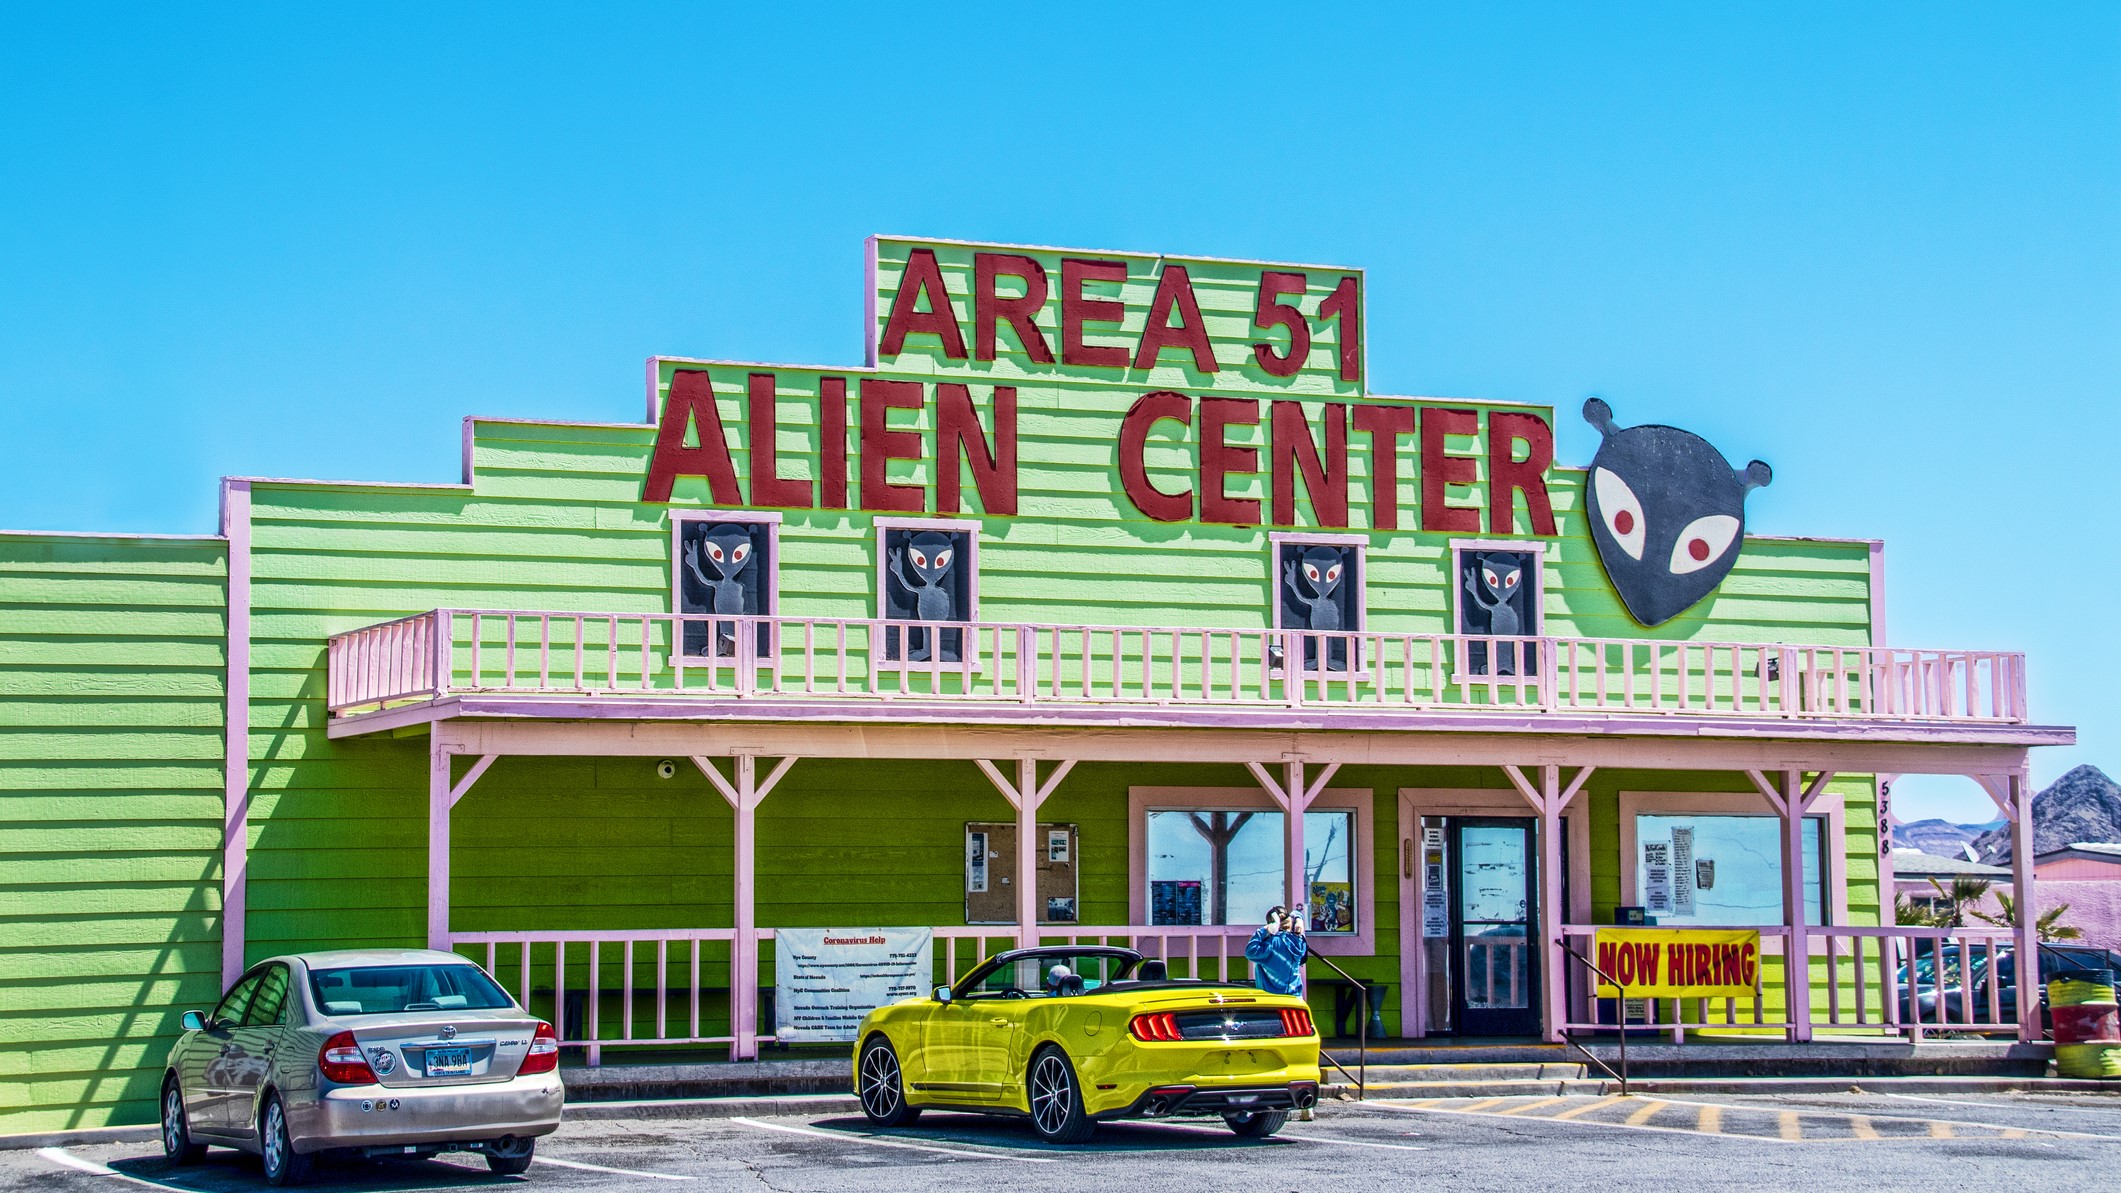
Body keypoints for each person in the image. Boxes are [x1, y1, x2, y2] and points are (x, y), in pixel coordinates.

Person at [1245, 905, 1308, 996]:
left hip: (1271, 998)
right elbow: (1296, 913)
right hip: (1294, 998)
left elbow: (1250, 951)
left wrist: (1265, 930)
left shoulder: (1270, 945)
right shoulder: (1298, 940)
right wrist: (1299, 920)